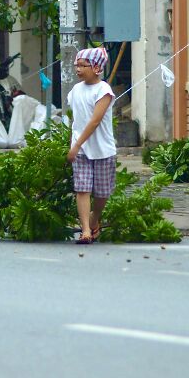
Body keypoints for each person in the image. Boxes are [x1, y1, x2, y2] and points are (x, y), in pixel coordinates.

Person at [66, 47, 116, 244]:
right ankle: (85, 230)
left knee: (102, 192)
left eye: (82, 65)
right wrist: (76, 146)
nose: (78, 69)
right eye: (76, 65)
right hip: (81, 150)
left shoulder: (104, 90)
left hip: (103, 149)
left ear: (96, 68)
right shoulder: (75, 90)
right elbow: (76, 119)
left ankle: (95, 219)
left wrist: (76, 145)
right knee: (82, 189)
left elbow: (94, 121)